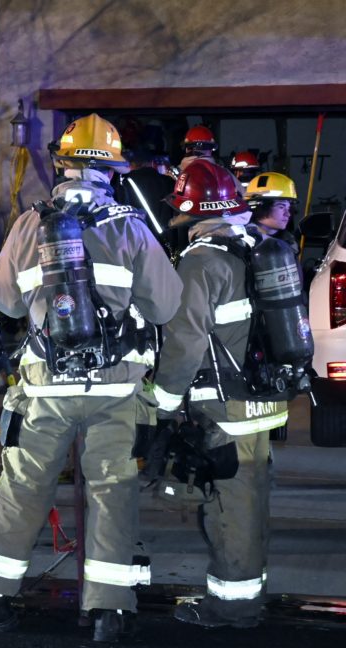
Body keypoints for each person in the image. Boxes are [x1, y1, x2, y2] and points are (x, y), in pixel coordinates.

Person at [0, 113, 182, 643]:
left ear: (62, 165)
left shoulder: (30, 224)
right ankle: (109, 610)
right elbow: (166, 306)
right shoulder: (130, 227)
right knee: (112, 490)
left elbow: (6, 301)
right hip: (115, 388)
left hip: (45, 388)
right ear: (112, 171)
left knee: (23, 487)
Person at [152, 159, 297, 629]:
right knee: (250, 500)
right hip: (263, 398)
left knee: (229, 508)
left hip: (226, 407)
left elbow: (186, 341)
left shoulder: (201, 261)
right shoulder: (256, 247)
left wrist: (164, 403)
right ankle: (250, 591)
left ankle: (234, 606)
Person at [117, 146, 177, 254]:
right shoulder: (169, 182)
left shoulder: (125, 185)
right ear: (151, 162)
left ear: (130, 163)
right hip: (169, 245)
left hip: (141, 245)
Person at [244, 171, 299, 253]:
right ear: (259, 207)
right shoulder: (243, 243)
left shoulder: (289, 241)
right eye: (281, 207)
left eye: (288, 208)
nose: (288, 214)